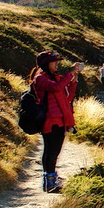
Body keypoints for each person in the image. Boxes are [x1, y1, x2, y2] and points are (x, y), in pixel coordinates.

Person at [29, 51, 82, 193]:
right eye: (54, 61)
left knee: (54, 150)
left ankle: (51, 179)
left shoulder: (56, 78)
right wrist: (70, 74)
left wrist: (74, 80)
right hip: (50, 120)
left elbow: (68, 96)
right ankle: (50, 181)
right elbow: (56, 88)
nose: (57, 63)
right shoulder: (40, 79)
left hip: (61, 119)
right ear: (46, 64)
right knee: (51, 150)